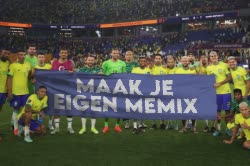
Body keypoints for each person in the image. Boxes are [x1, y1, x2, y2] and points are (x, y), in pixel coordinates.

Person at [206, 51, 232, 136]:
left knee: (227, 112)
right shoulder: (208, 68)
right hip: (216, 93)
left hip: (226, 92)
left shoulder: (224, 65)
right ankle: (218, 130)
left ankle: (228, 129)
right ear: (210, 58)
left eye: (214, 56)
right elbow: (207, 80)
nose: (213, 57)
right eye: (211, 56)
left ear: (218, 56)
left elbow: (229, 77)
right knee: (217, 112)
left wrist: (219, 83)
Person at [50, 49, 75, 134]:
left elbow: (75, 74)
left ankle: (69, 127)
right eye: (62, 53)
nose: (63, 54)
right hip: (56, 88)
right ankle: (57, 128)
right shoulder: (54, 62)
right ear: (59, 54)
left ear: (67, 54)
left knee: (69, 108)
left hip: (68, 88)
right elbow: (50, 74)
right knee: (57, 108)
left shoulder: (71, 63)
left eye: (65, 53)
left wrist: (73, 72)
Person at [7, 50, 32, 136]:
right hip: (16, 93)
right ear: (17, 55)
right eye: (21, 55)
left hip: (25, 92)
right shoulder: (13, 65)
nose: (23, 56)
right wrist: (9, 92)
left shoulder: (28, 65)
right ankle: (16, 129)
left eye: (24, 55)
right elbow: (9, 79)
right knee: (16, 110)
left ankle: (21, 126)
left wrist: (33, 78)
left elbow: (29, 76)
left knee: (25, 110)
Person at [102, 48, 126, 134]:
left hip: (119, 88)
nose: (116, 54)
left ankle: (117, 125)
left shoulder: (122, 63)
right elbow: (103, 74)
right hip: (108, 87)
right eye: (114, 53)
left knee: (118, 106)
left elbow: (124, 75)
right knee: (107, 106)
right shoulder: (105, 63)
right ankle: (106, 126)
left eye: (117, 53)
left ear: (119, 54)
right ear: (111, 54)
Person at [78, 55, 101, 135]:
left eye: (92, 60)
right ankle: (83, 127)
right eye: (89, 60)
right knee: (84, 110)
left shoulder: (98, 69)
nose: (90, 62)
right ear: (86, 61)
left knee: (93, 110)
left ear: (94, 61)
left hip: (94, 93)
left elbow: (102, 77)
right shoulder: (81, 70)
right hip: (84, 93)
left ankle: (93, 127)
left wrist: (101, 74)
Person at [175, 56, 197, 133]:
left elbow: (196, 81)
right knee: (183, 110)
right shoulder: (178, 71)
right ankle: (184, 127)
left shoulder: (192, 70)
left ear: (188, 62)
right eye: (183, 61)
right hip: (182, 93)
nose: (185, 62)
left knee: (192, 110)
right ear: (181, 62)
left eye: (186, 61)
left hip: (191, 93)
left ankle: (193, 127)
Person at [131, 56, 151, 134]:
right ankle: (135, 126)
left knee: (143, 109)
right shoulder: (134, 70)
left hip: (145, 92)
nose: (142, 62)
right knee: (135, 109)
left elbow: (150, 81)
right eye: (141, 61)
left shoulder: (148, 70)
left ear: (146, 62)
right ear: (139, 62)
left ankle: (140, 126)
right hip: (136, 92)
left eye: (144, 61)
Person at [33, 53, 53, 130]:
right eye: (39, 57)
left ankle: (50, 123)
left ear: (44, 58)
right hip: (38, 89)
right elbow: (32, 77)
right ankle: (39, 123)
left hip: (49, 89)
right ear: (37, 58)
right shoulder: (35, 67)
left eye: (42, 57)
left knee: (50, 106)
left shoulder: (49, 67)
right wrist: (33, 78)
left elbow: (53, 76)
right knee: (39, 107)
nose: (41, 58)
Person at [197, 54, 214, 133]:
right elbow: (199, 78)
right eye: (202, 58)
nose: (203, 59)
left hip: (212, 90)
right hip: (203, 90)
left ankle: (213, 126)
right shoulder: (198, 67)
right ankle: (206, 126)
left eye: (205, 58)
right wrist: (200, 67)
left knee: (213, 108)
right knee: (205, 109)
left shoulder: (212, 66)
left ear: (208, 59)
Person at [150, 54, 167, 130]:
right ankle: (154, 124)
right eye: (156, 58)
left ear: (161, 60)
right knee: (153, 107)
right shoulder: (150, 68)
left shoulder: (164, 69)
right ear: (154, 59)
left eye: (159, 58)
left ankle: (162, 123)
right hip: (152, 90)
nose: (158, 60)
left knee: (162, 107)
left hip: (162, 90)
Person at [124, 50, 139, 129]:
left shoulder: (136, 64)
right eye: (127, 55)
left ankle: (136, 122)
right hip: (125, 87)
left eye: (130, 55)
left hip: (134, 87)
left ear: (132, 56)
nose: (129, 56)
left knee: (135, 104)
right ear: (125, 56)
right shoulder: (122, 64)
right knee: (126, 105)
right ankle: (127, 122)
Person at [165, 55, 178, 130]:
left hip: (176, 91)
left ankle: (176, 123)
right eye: (169, 62)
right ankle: (169, 123)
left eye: (172, 62)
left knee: (176, 109)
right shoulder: (164, 70)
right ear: (167, 63)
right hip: (167, 91)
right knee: (168, 108)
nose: (170, 63)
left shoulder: (178, 69)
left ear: (174, 62)